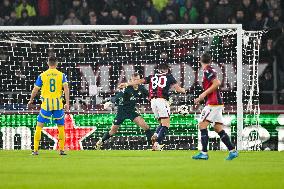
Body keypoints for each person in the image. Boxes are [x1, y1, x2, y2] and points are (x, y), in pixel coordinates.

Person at [119, 64, 186, 151]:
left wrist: (127, 83)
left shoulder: (152, 76)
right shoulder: (169, 76)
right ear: (167, 70)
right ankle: (157, 144)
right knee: (166, 124)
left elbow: (140, 81)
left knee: (161, 123)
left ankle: (155, 136)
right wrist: (184, 90)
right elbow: (178, 89)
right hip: (162, 100)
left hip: (153, 102)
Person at [192, 53, 238, 160]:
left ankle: (204, 153)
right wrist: (202, 97)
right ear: (210, 60)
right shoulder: (210, 69)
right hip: (215, 102)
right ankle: (233, 151)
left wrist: (203, 94)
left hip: (213, 103)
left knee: (202, 125)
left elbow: (217, 83)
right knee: (218, 128)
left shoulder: (207, 70)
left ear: (200, 60)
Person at [95, 73, 152, 149]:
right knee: (112, 132)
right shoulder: (127, 88)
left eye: (138, 79)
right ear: (131, 80)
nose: (136, 81)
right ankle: (100, 141)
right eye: (134, 80)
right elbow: (118, 96)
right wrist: (110, 102)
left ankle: (153, 146)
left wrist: (155, 99)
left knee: (146, 127)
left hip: (132, 111)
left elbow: (149, 95)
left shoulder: (141, 88)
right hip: (121, 111)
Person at [28, 57, 70, 156]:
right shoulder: (61, 75)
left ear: (48, 63)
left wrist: (31, 100)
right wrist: (67, 103)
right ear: (57, 63)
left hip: (46, 105)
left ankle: (35, 150)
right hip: (58, 105)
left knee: (39, 127)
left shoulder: (42, 75)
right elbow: (66, 89)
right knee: (60, 126)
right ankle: (62, 150)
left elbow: (35, 90)